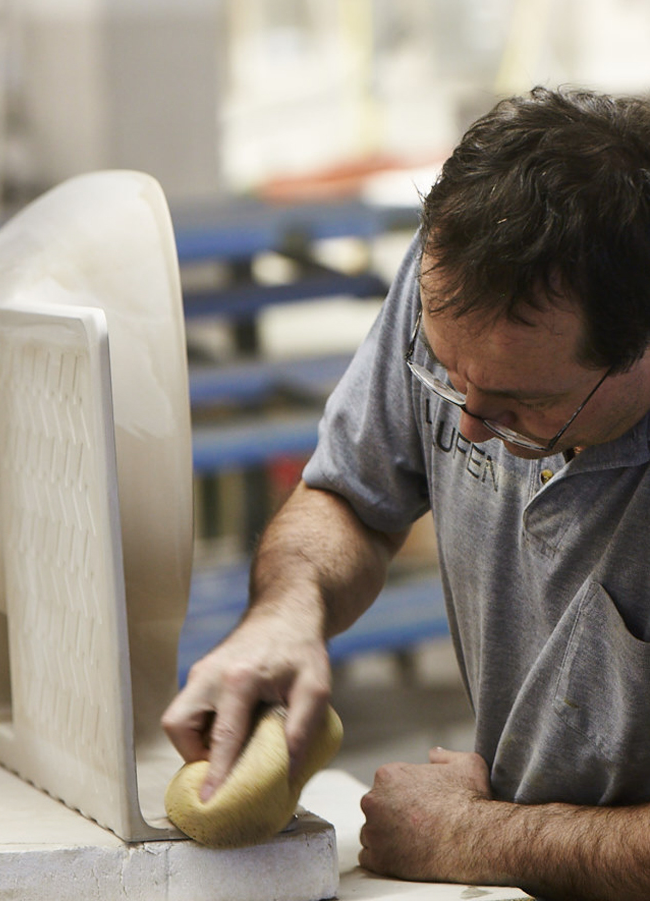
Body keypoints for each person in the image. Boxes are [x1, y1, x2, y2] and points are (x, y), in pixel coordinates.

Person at [162, 85, 650, 900]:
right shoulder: (460, 283)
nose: (470, 425)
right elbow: (351, 499)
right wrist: (290, 607)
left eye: (521, 402)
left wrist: (475, 835)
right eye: (447, 375)